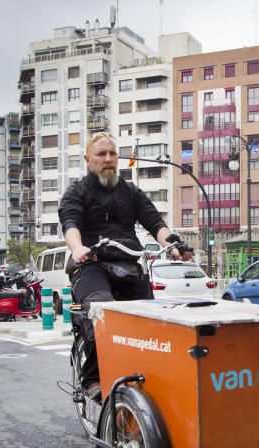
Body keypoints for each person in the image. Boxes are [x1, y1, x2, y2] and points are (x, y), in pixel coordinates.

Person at [59, 131, 191, 399]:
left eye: (112, 154)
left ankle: (150, 378)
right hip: (91, 264)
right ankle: (91, 378)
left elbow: (155, 222)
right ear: (88, 159)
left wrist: (174, 245)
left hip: (128, 263)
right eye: (101, 154)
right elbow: (70, 223)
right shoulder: (77, 191)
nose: (108, 159)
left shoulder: (130, 191)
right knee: (101, 313)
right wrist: (78, 248)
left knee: (151, 323)